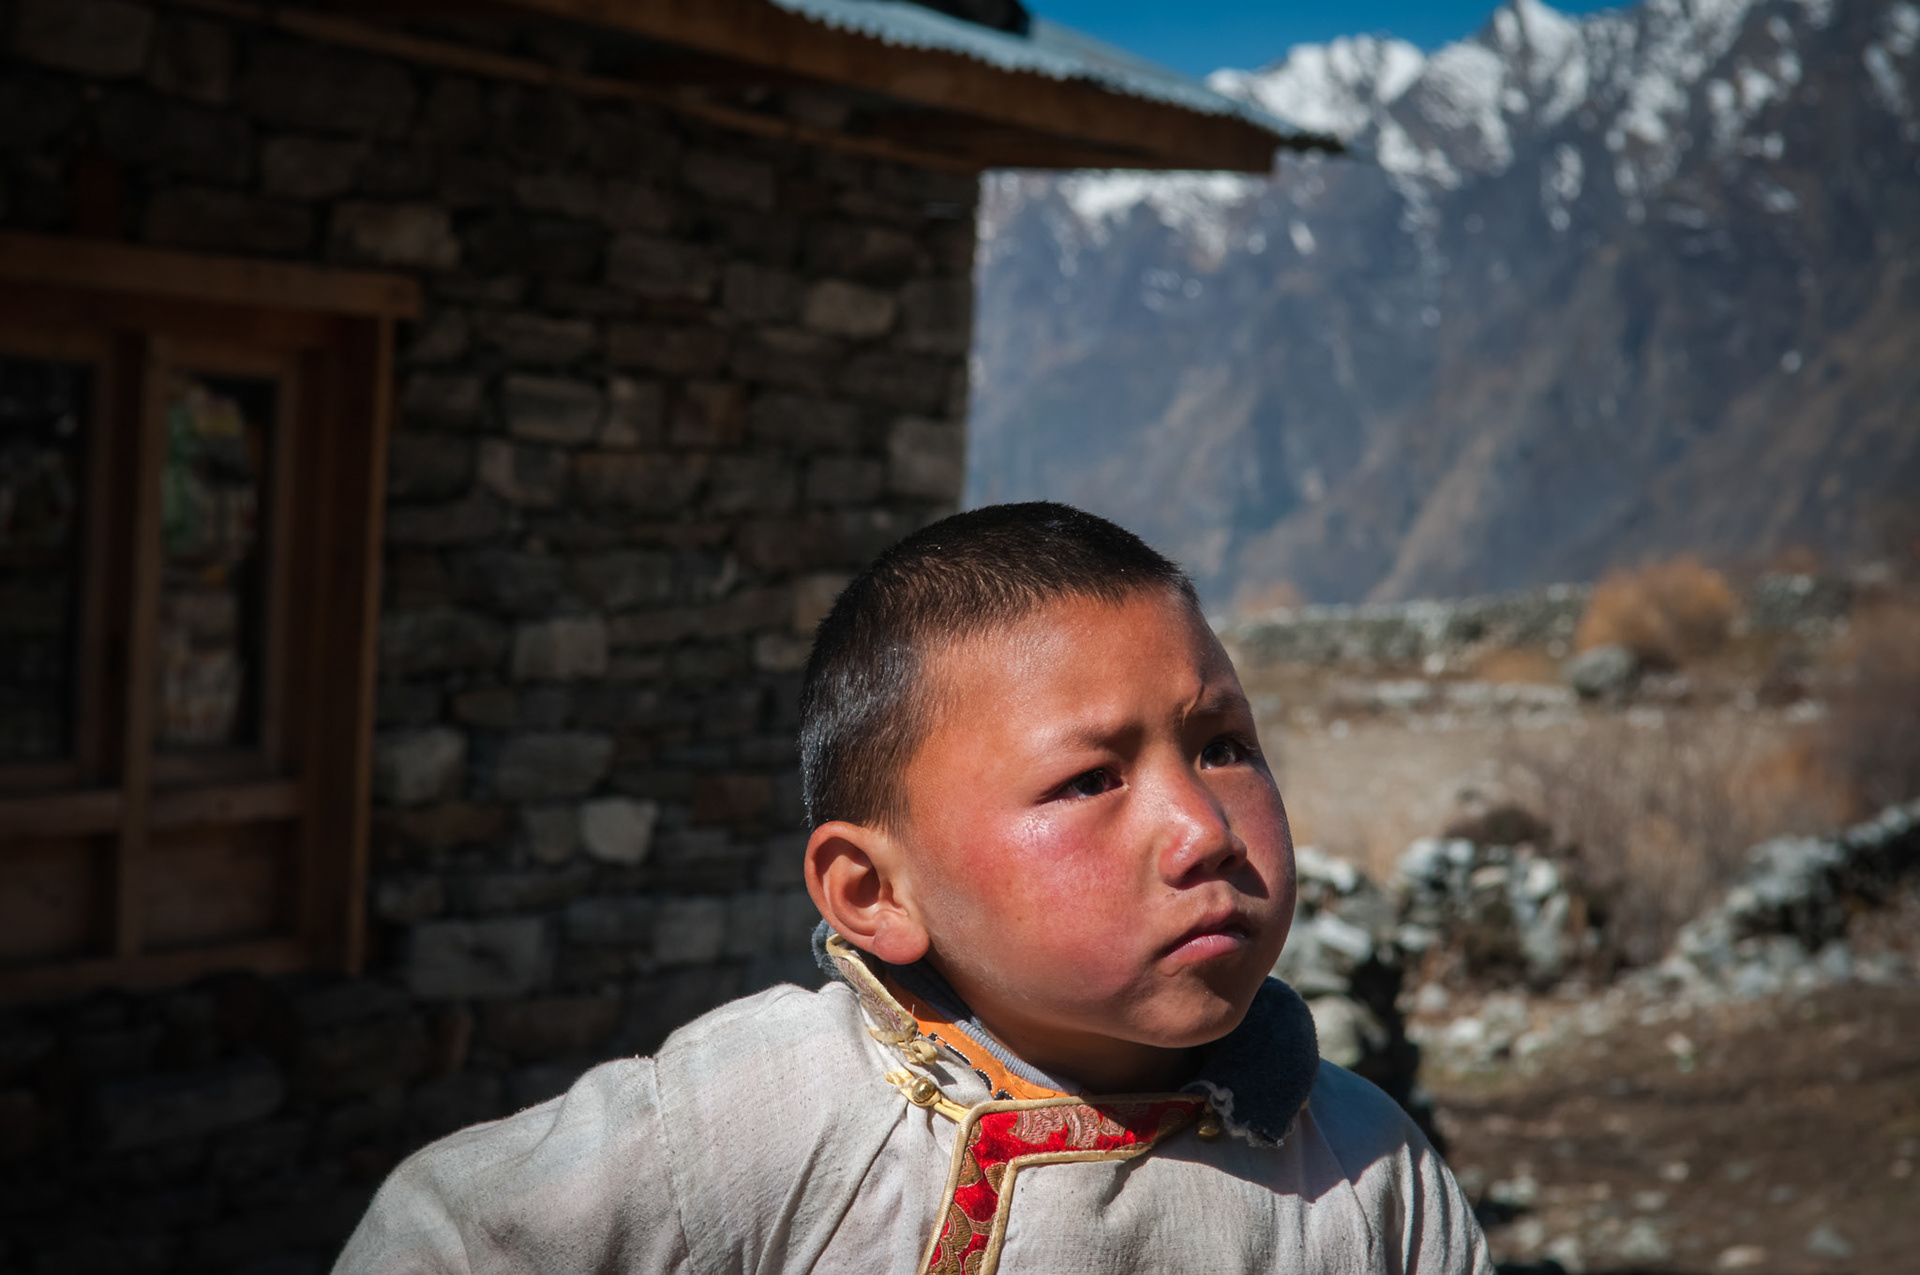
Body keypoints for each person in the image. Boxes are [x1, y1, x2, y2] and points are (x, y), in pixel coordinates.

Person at [335, 501, 1490, 1275]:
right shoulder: (762, 1118)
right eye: (1089, 779)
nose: (1200, 828)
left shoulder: (1364, 1174)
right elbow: (443, 1234)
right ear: (872, 892)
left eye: (1223, 745)